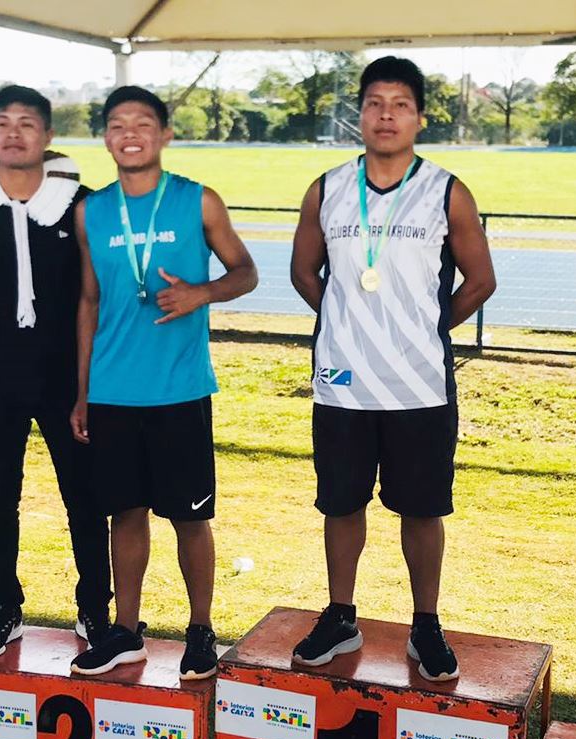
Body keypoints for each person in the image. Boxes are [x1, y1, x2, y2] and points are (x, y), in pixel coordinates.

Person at [289, 57, 496, 681]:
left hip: (420, 385)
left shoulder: (448, 190)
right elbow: (303, 272)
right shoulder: (326, 188)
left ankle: (425, 624)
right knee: (341, 505)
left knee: (422, 509)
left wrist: (426, 329)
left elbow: (480, 280)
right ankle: (341, 613)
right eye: (375, 102)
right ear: (360, 114)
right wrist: (349, 324)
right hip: (342, 384)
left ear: (420, 118)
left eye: (400, 104)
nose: (386, 114)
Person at [68, 86, 257, 679]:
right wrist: (82, 391)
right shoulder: (90, 211)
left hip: (179, 391)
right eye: (117, 123)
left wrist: (204, 292)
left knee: (190, 517)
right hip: (113, 391)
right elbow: (89, 301)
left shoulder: (197, 201)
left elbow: (246, 271)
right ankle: (126, 631)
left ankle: (201, 631)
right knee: (124, 513)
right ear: (105, 137)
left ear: (164, 134)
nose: (130, 132)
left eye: (143, 123)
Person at [0, 85, 112, 657]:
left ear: (48, 136)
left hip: (65, 378)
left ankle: (94, 609)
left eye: (27, 123)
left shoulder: (83, 203)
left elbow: (94, 294)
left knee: (84, 496)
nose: (13, 132)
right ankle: (2, 607)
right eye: (3, 122)